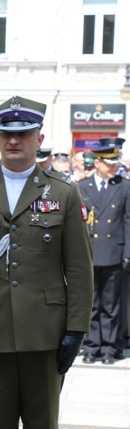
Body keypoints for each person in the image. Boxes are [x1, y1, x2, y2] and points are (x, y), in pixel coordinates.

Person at [0, 95, 94, 429]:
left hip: (45, 332)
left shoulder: (63, 193)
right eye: (6, 134)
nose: (14, 140)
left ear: (39, 139)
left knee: (42, 423)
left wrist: (76, 329)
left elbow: (79, 269)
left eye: (24, 133)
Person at [78, 139, 130, 365]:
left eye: (116, 163)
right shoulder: (83, 186)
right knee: (91, 303)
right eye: (109, 164)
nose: (114, 167)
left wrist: (127, 252)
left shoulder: (124, 186)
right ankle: (92, 346)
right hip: (89, 253)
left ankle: (109, 346)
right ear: (97, 163)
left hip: (114, 252)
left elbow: (128, 222)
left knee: (111, 304)